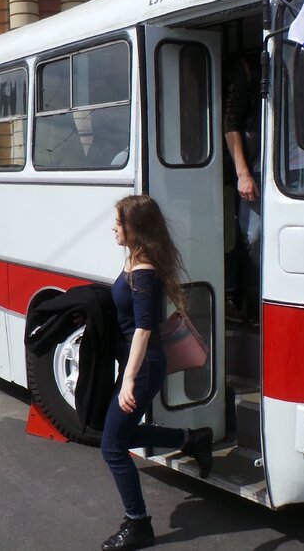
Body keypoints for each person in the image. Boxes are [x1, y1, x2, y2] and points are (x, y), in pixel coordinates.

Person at [100, 195, 213, 551]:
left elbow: (144, 329)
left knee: (112, 446)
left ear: (137, 229)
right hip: (140, 363)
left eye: (119, 223)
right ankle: (192, 440)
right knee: (121, 433)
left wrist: (129, 380)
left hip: (144, 367)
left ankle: (138, 524)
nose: (114, 228)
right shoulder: (134, 259)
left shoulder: (144, 272)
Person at [221, 51, 262, 322]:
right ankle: (249, 307)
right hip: (258, 169)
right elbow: (231, 121)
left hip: (300, 165)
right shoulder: (247, 68)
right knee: (252, 238)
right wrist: (243, 173)